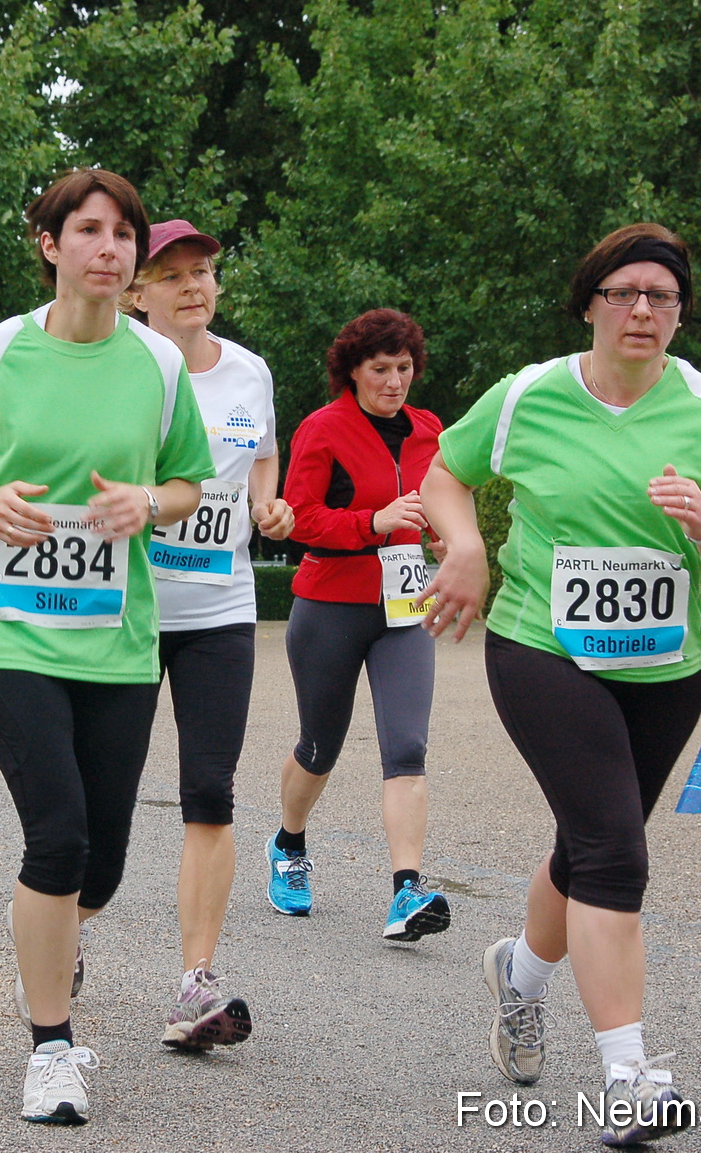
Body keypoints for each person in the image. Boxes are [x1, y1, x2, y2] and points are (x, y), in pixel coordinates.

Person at [419, 224, 701, 1147]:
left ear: (681, 314)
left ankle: (519, 979)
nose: (644, 310)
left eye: (662, 296)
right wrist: (465, 548)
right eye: (624, 292)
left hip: (665, 667)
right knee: (616, 852)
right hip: (544, 649)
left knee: (587, 847)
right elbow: (445, 475)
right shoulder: (528, 395)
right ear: (591, 303)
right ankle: (630, 1077)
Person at [0, 169, 213, 1125]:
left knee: (105, 863)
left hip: (118, 639)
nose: (109, 248)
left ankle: (51, 929)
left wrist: (146, 503)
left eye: (123, 234)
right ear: (51, 245)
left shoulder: (159, 366)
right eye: (88, 230)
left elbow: (192, 485)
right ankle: (52, 1047)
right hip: (9, 629)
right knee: (60, 833)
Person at [123, 219, 293, 1050]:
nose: (195, 285)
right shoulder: (120, 366)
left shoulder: (251, 372)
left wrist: (270, 502)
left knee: (211, 791)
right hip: (123, 610)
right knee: (97, 792)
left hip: (219, 610)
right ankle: (63, 931)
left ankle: (197, 979)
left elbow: (262, 459)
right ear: (135, 293)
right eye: (175, 273)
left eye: (206, 271)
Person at [266, 309, 453, 945]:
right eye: (381, 370)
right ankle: (288, 845)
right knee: (320, 746)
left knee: (407, 748)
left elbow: (445, 505)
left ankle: (407, 890)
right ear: (352, 371)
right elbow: (299, 519)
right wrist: (372, 522)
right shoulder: (322, 429)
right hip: (331, 604)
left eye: (404, 369)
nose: (395, 381)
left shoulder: (430, 431)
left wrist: (452, 542)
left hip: (406, 608)